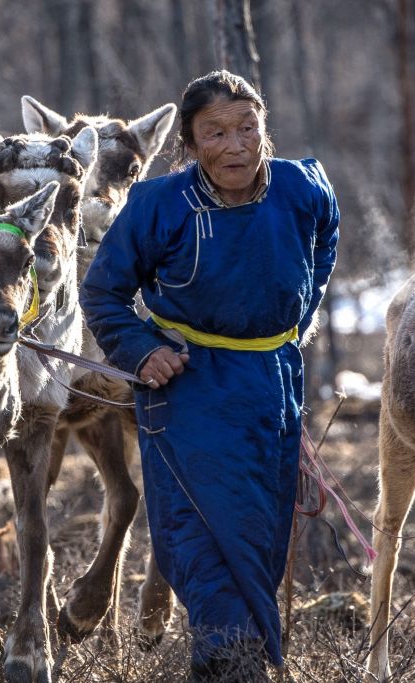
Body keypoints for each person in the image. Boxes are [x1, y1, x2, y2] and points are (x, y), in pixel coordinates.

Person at [80, 70, 339, 681]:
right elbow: (103, 293)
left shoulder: (302, 188)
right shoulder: (158, 206)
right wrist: (142, 351)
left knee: (257, 532)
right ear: (190, 147)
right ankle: (229, 660)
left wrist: (297, 319)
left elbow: (324, 239)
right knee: (197, 531)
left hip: (273, 386)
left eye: (249, 128)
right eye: (215, 133)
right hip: (187, 390)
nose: (237, 145)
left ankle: (235, 650)